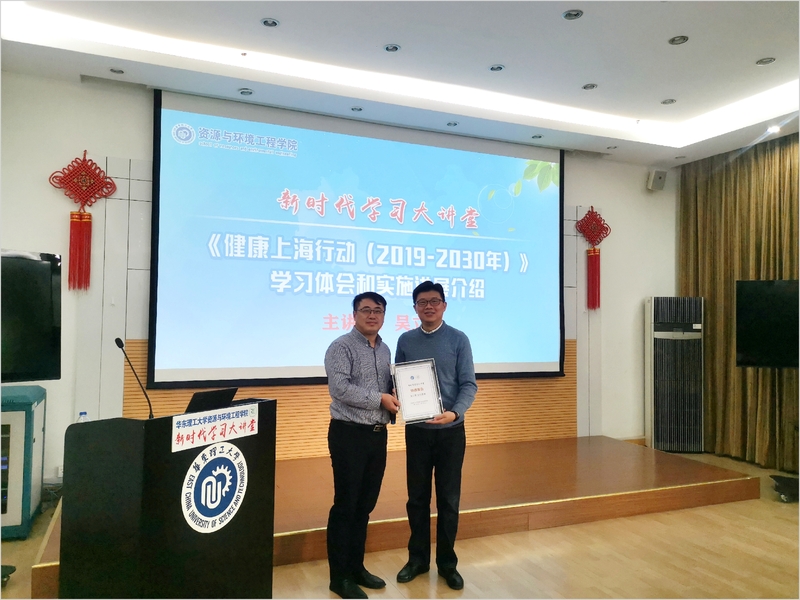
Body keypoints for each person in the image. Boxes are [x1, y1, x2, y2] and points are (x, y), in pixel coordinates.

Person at [394, 281, 477, 591]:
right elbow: (399, 381)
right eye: (422, 302)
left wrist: (455, 412)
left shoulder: (458, 339)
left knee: (449, 500)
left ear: (444, 305)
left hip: (451, 432)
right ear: (415, 307)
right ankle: (417, 560)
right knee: (416, 499)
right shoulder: (406, 340)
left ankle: (447, 564)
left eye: (434, 301)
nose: (428, 306)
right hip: (417, 432)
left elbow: (468, 384)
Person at [324, 291, 400, 600]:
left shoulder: (384, 349)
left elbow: (387, 388)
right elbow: (340, 389)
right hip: (348, 435)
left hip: (377, 435)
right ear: (354, 314)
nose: (372, 315)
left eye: (378, 310)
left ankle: (356, 568)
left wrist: (399, 395)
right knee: (346, 505)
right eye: (365, 310)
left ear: (384, 316)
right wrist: (380, 399)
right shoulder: (341, 346)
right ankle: (339, 577)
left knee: (365, 505)